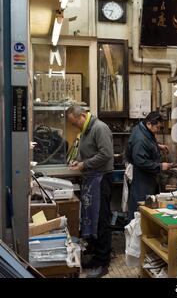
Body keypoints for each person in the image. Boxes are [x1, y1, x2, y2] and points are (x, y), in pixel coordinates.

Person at [67, 105, 114, 278]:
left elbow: (106, 154)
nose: (74, 127)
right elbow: (88, 152)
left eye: (74, 123)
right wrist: (77, 161)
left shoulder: (99, 128)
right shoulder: (86, 130)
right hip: (91, 179)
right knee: (92, 219)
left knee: (101, 220)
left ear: (81, 116)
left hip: (101, 180)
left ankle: (104, 262)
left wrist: (84, 165)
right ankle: (96, 257)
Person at [126, 111, 172, 220]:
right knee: (141, 207)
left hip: (147, 176)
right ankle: (138, 234)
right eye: (158, 127)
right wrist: (160, 166)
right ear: (150, 124)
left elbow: (148, 142)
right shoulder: (140, 139)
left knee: (147, 206)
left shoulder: (143, 129)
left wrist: (157, 146)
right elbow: (141, 162)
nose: (159, 130)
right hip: (141, 177)